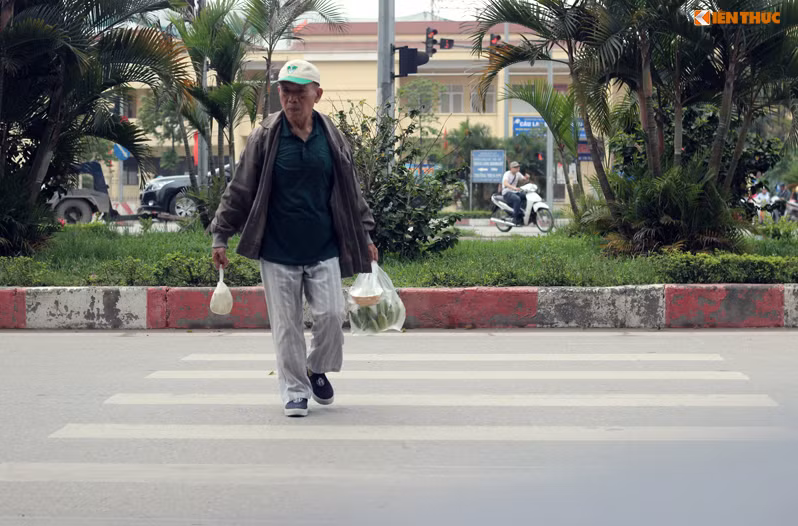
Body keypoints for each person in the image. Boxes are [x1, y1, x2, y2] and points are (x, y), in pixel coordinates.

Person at [210, 59, 378, 418]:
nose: (292, 100)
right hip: (277, 250)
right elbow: (240, 189)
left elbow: (351, 191)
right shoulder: (265, 136)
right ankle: (295, 390)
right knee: (287, 327)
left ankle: (315, 369)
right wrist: (220, 235)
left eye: (300, 93)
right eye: (285, 92)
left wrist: (364, 233)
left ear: (317, 94)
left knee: (332, 316)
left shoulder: (330, 137)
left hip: (324, 247)